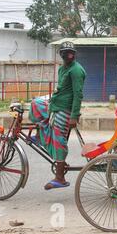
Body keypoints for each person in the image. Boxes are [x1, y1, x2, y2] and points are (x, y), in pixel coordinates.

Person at [29, 41, 86, 190]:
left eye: (72, 53)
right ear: (62, 55)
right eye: (67, 53)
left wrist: (74, 115)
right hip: (56, 104)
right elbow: (61, 88)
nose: (70, 55)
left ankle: (60, 178)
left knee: (58, 138)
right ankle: (40, 137)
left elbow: (78, 94)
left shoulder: (76, 70)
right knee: (36, 104)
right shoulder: (63, 69)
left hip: (65, 109)